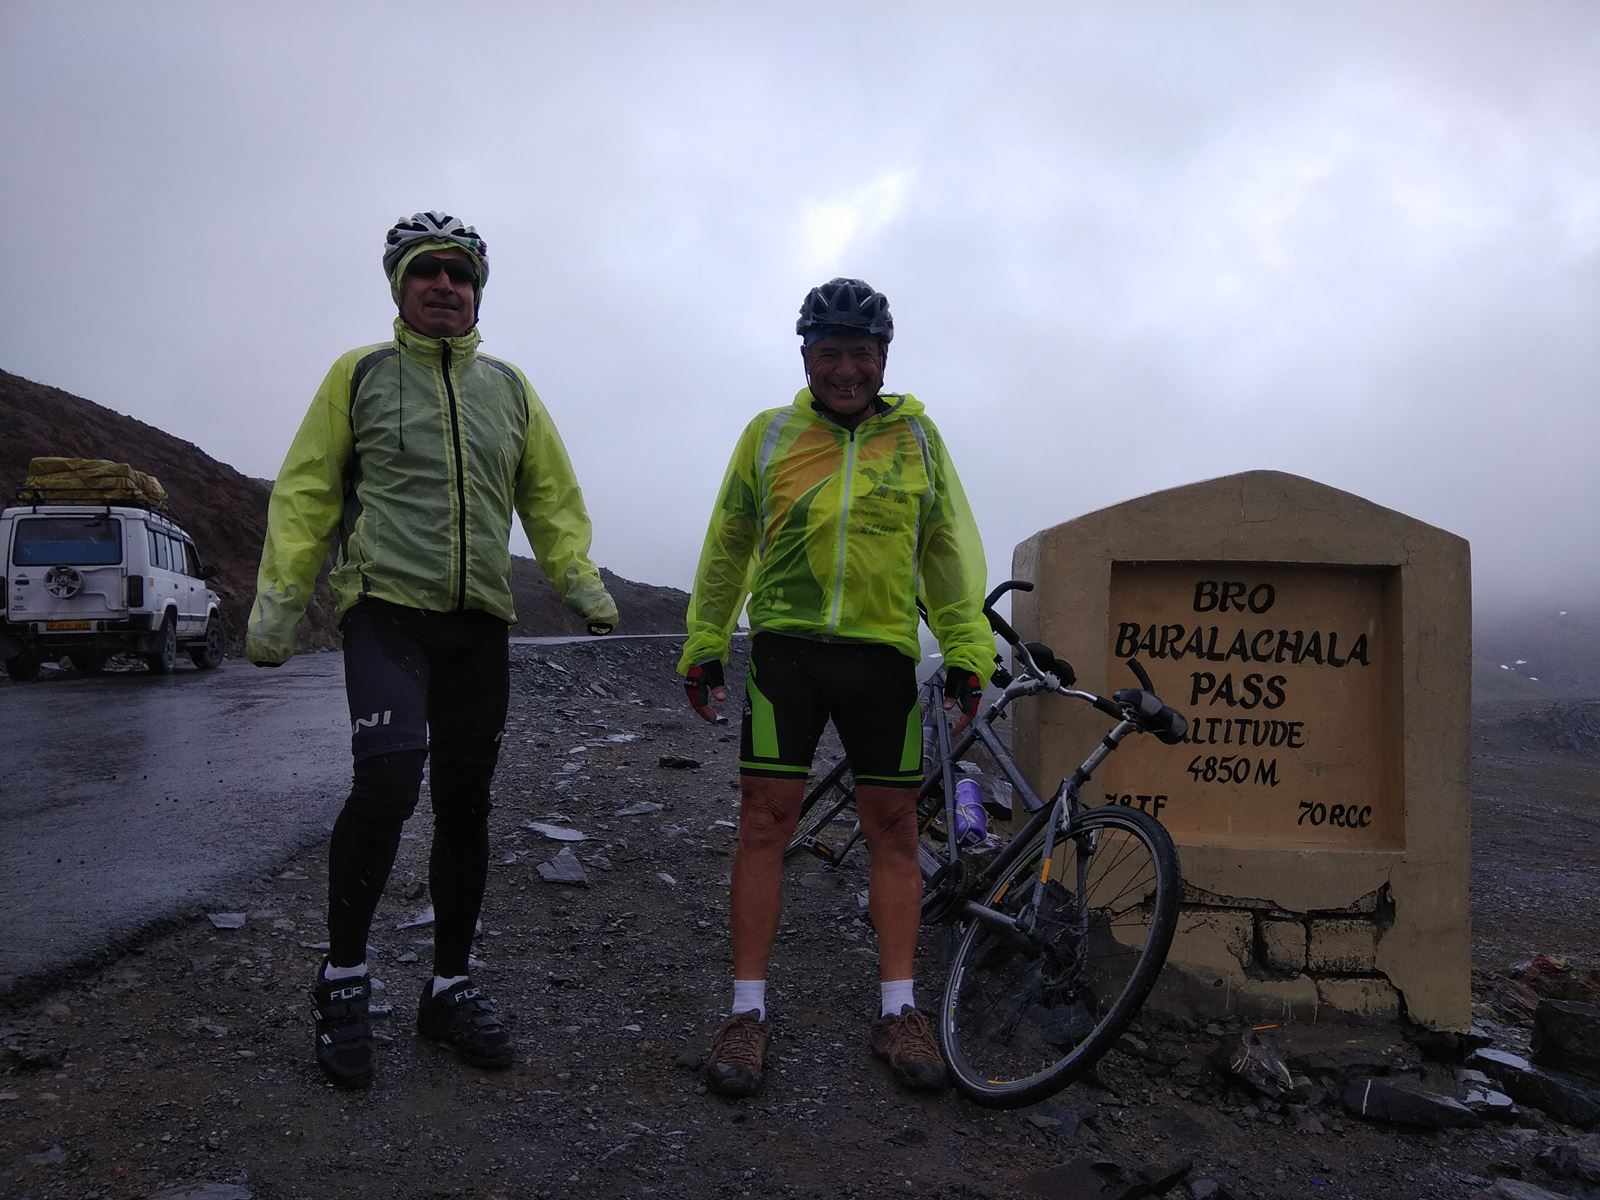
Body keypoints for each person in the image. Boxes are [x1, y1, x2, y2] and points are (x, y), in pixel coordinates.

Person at [245, 210, 618, 1090]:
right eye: (427, 272)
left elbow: (551, 499)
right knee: (385, 785)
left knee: (466, 805)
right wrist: (278, 606)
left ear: (478, 290)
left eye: (460, 274)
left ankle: (448, 986)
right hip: (387, 612)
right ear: (400, 286)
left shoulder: (511, 389)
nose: (444, 286)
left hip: (479, 621)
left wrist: (578, 581)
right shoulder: (360, 373)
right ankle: (343, 977)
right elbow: (306, 493)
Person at [678, 277, 992, 1096]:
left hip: (881, 655)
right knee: (763, 823)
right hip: (786, 652)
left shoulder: (918, 438)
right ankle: (745, 1013)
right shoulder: (771, 434)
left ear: (883, 357)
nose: (846, 369)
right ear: (807, 356)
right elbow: (728, 544)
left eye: (861, 352)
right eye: (830, 353)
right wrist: (705, 640)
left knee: (892, 829)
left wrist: (967, 648)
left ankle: (900, 1011)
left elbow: (948, 548)